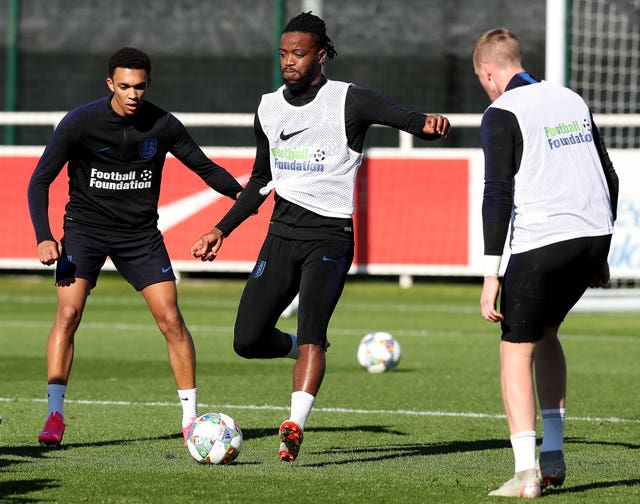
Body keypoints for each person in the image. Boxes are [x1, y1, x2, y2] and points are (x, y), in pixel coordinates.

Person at [190, 11, 450, 462]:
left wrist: (430, 125)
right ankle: (301, 351)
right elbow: (260, 180)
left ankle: (294, 425)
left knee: (314, 330)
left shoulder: (349, 100)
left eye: (299, 53)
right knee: (247, 341)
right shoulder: (268, 108)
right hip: (280, 235)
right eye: (283, 54)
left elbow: (409, 120)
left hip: (330, 238)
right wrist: (221, 229)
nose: (288, 61)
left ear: (322, 56)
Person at [27, 47, 243, 447]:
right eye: (124, 86)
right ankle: (55, 415)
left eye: (140, 87)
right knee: (68, 313)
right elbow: (39, 181)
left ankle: (190, 420)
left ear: (148, 85)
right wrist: (43, 235)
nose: (133, 94)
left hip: (139, 236)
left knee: (171, 320)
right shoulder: (79, 122)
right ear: (110, 83)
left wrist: (246, 197)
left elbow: (206, 168)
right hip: (84, 231)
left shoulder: (163, 124)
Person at [473, 29, 618, 497]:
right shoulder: (570, 97)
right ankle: (553, 454)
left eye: (482, 80)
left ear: (489, 72)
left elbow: (497, 194)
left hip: (544, 242)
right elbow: (608, 174)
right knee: (549, 331)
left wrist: (491, 272)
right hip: (594, 234)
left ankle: (525, 473)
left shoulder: (501, 112)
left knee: (516, 348)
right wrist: (602, 252)